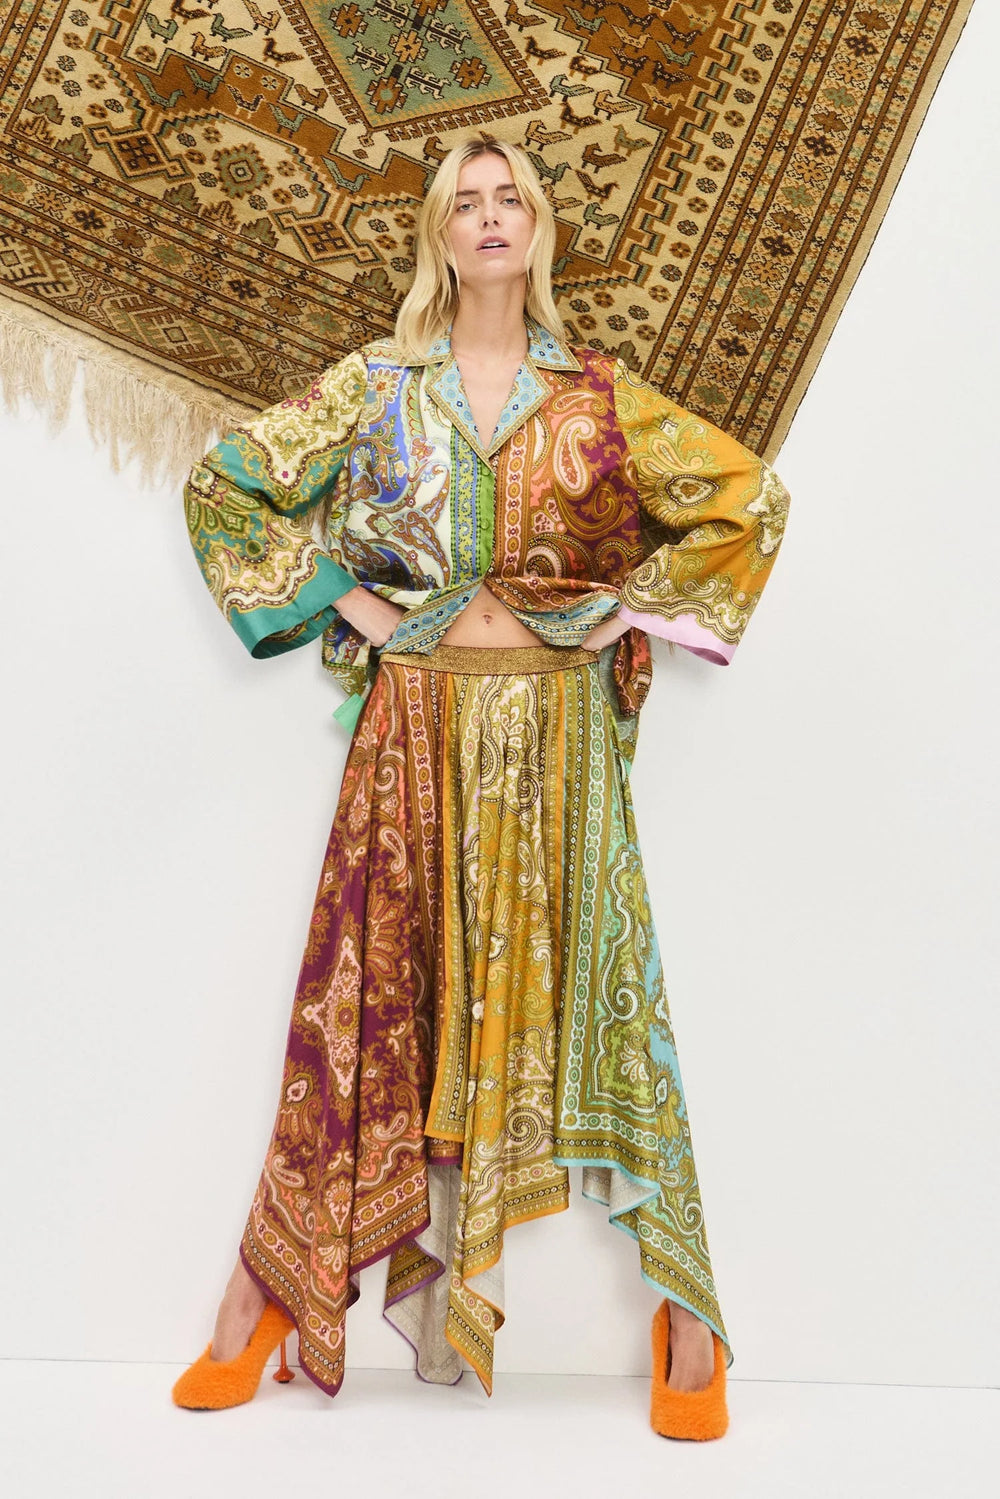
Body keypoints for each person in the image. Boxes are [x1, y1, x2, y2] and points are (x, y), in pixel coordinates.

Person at [173, 131, 790, 1441]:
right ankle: (265, 1294)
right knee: (360, 999)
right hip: (414, 723)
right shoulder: (375, 389)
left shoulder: (600, 396)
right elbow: (227, 487)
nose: (493, 217)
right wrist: (351, 604)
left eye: (513, 198)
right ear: (440, 235)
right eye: (469, 201)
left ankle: (689, 1316)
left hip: (560, 733)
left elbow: (748, 501)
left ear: (541, 229)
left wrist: (627, 614)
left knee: (612, 998)